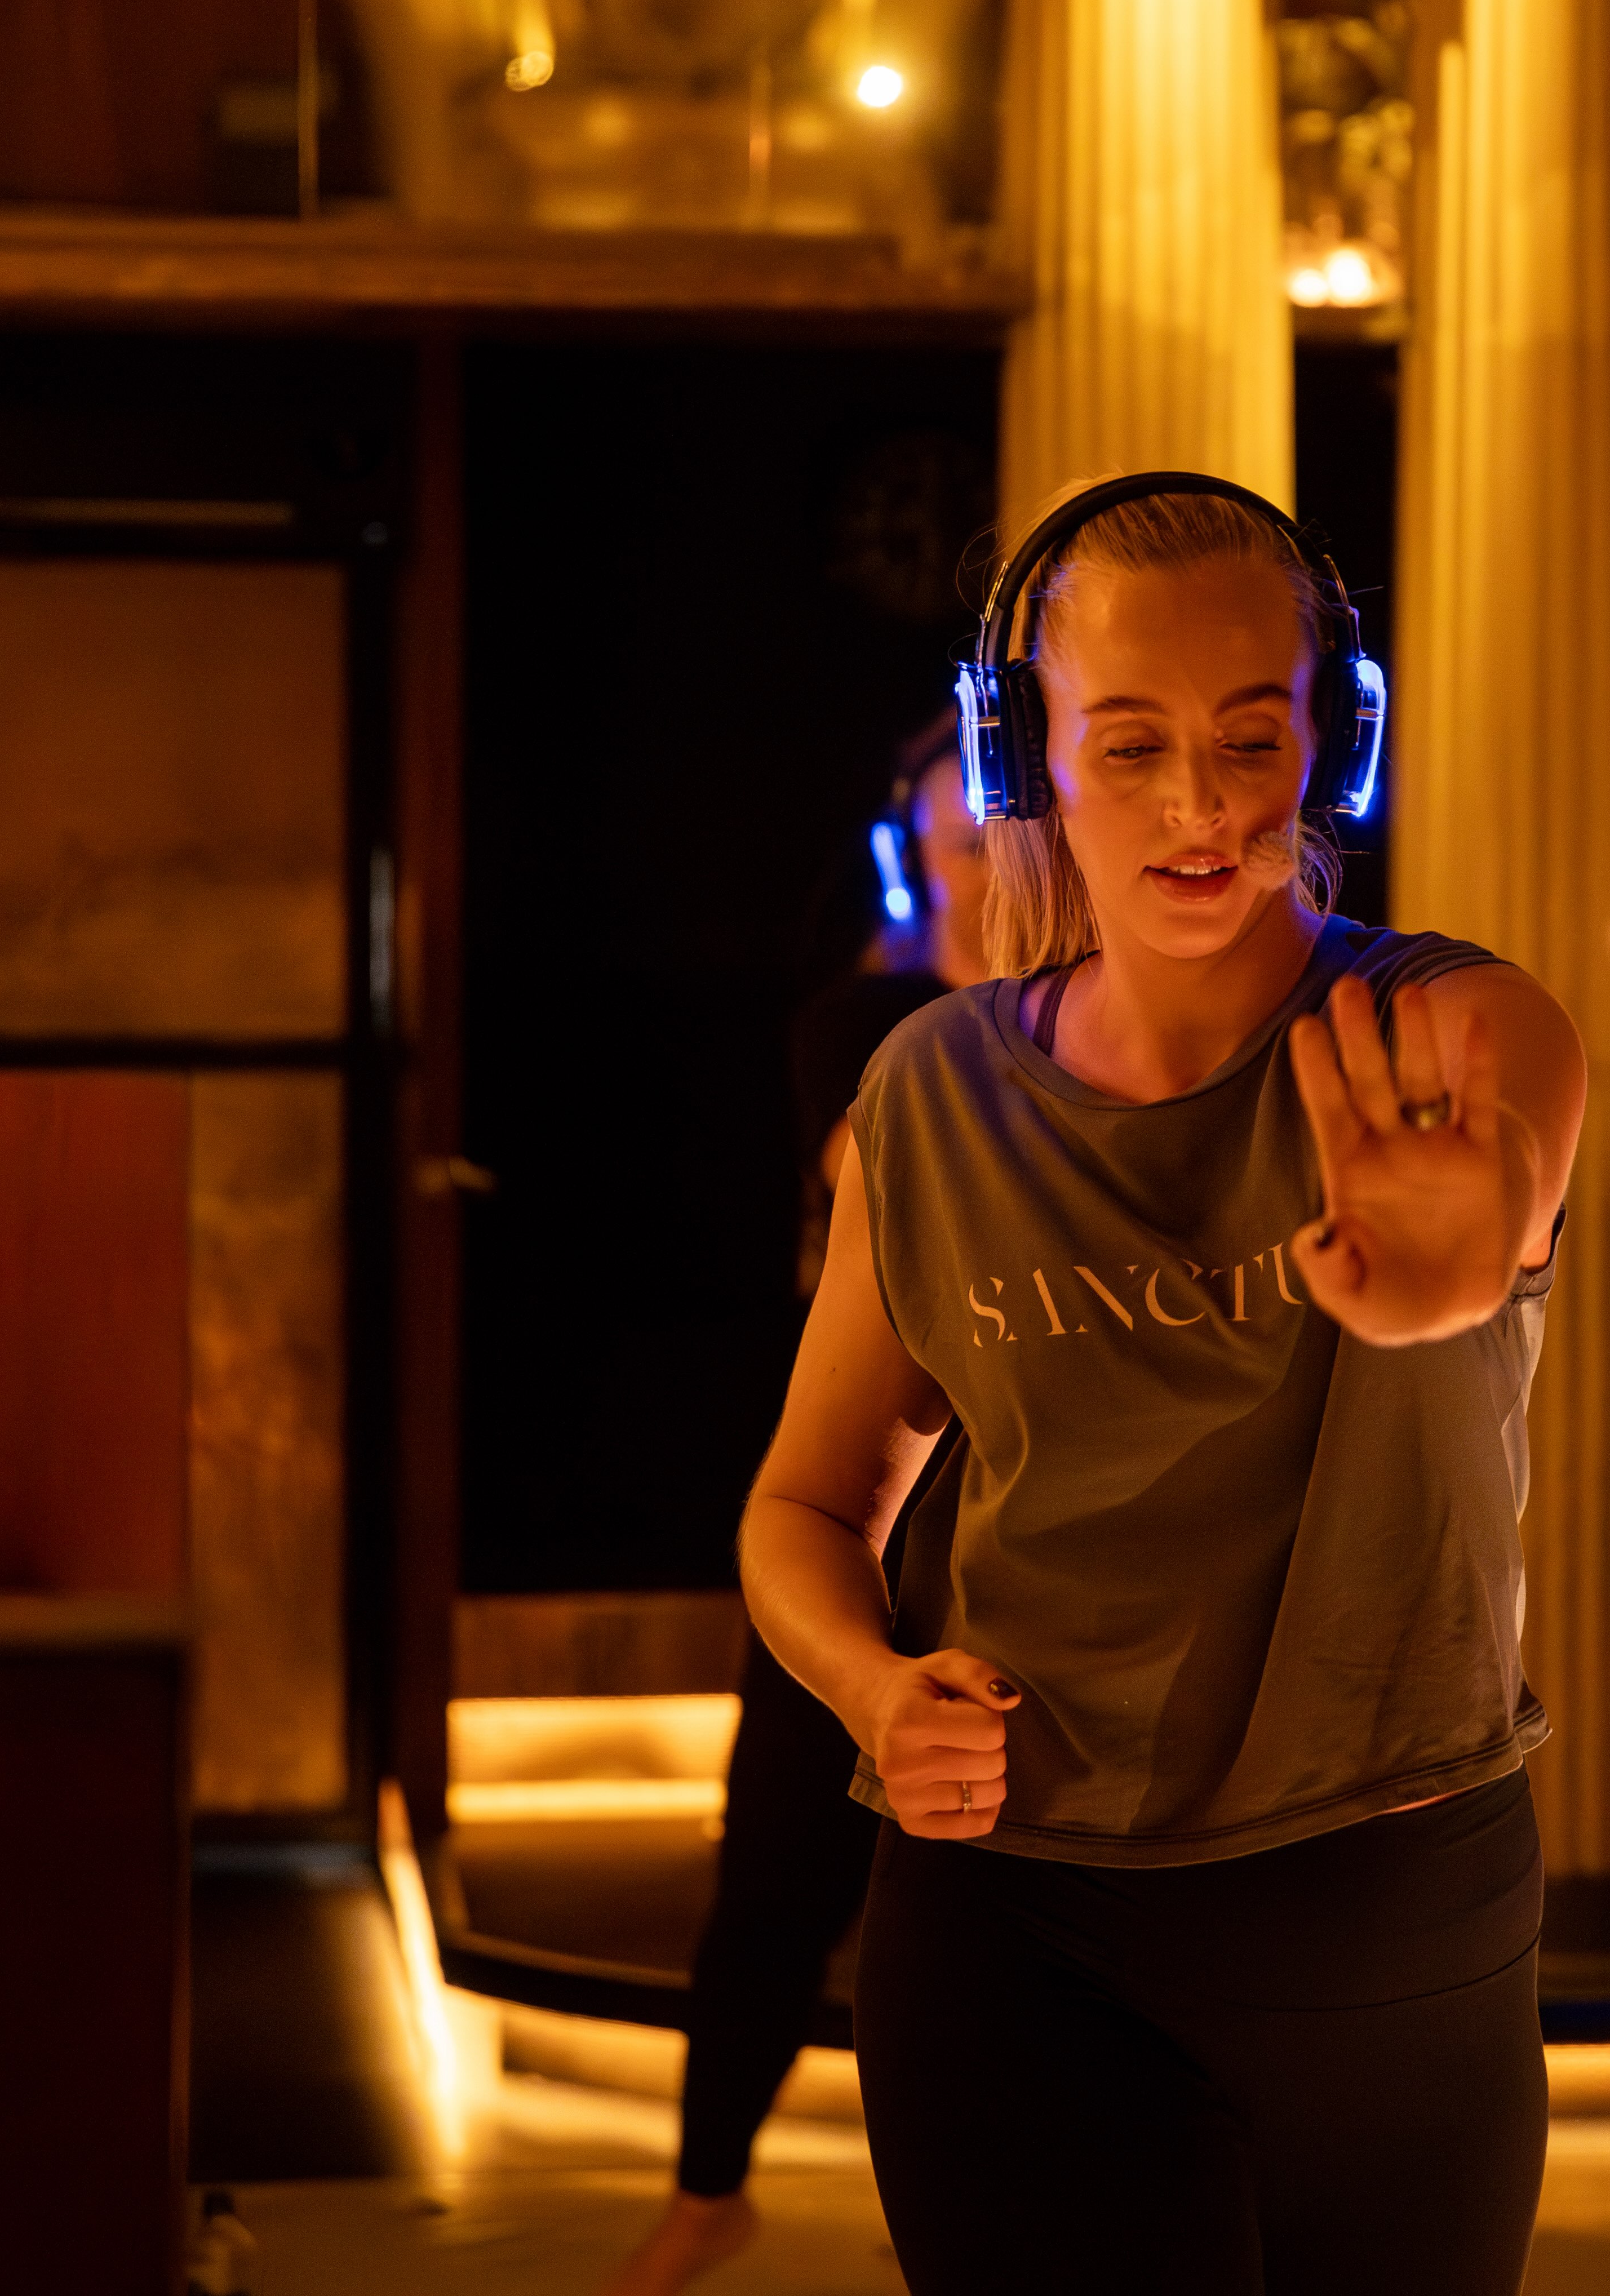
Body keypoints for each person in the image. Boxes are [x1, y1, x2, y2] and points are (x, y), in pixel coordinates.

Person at [739, 472, 1587, 2296]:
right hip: (1013, 1924)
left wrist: (1461, 1265)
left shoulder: (1457, 1030)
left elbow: (1504, 1181)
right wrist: (877, 1695)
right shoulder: (929, 1093)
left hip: (1386, 1908)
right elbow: (804, 1507)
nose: (1200, 805)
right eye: (1130, 746)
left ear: (1334, 743)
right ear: (1024, 756)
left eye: (1249, 738)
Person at [608, 722, 989, 2295]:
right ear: (916, 860)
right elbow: (881, 1166)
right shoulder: (875, 1025)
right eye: (966, 844)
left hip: (1016, 1537)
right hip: (859, 1516)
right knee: (773, 1871)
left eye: (1016, 836)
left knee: (981, 1910)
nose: (997, 870)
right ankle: (709, 2191)